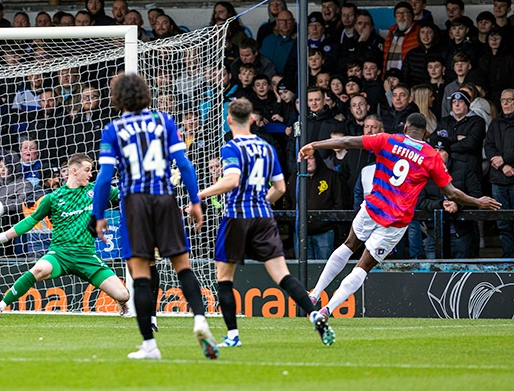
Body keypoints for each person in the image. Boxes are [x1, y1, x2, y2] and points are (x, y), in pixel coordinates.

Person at [299, 113, 501, 324]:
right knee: (363, 266)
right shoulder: (431, 156)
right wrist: (478, 201)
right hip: (396, 221)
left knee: (348, 245)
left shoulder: (387, 139)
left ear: (405, 128)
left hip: (373, 207)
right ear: (426, 133)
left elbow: (348, 141)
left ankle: (315, 293)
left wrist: (315, 144)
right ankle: (327, 309)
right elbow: (452, 193)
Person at [90, 73, 219, 360]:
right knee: (182, 266)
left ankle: (149, 345)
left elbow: (103, 179)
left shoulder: (113, 129)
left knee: (140, 275)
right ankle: (199, 320)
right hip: (165, 199)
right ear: (146, 94)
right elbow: (184, 165)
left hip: (134, 202)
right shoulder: (164, 121)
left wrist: (98, 214)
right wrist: (196, 200)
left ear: (117, 98)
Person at [198, 97, 335, 347]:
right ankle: (314, 313)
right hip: (263, 216)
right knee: (282, 275)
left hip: (237, 216)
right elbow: (280, 188)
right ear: (252, 120)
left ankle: (233, 336)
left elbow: (231, 180)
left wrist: (200, 194)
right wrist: (262, 201)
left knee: (224, 277)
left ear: (229, 121)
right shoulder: (267, 148)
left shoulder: (231, 147)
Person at [0, 153, 131, 317]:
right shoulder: (52, 198)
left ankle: (122, 303)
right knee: (38, 269)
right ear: (74, 170)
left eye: (91, 170)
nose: (90, 174)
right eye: (87, 170)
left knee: (124, 294)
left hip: (87, 256)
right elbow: (29, 222)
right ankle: (0, 306)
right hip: (59, 255)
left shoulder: (97, 190)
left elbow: (125, 194)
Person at [484, 90, 514, 258]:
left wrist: (504, 159)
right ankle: (508, 256)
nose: (506, 103)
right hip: (499, 179)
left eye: (510, 100)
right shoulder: (495, 123)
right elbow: (488, 146)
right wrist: (502, 165)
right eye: (503, 100)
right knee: (502, 222)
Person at [383, 1, 419, 72]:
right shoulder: (390, 34)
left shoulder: (419, 32)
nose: (401, 16)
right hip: (390, 78)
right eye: (398, 13)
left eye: (405, 12)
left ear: (412, 16)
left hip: (408, 79)